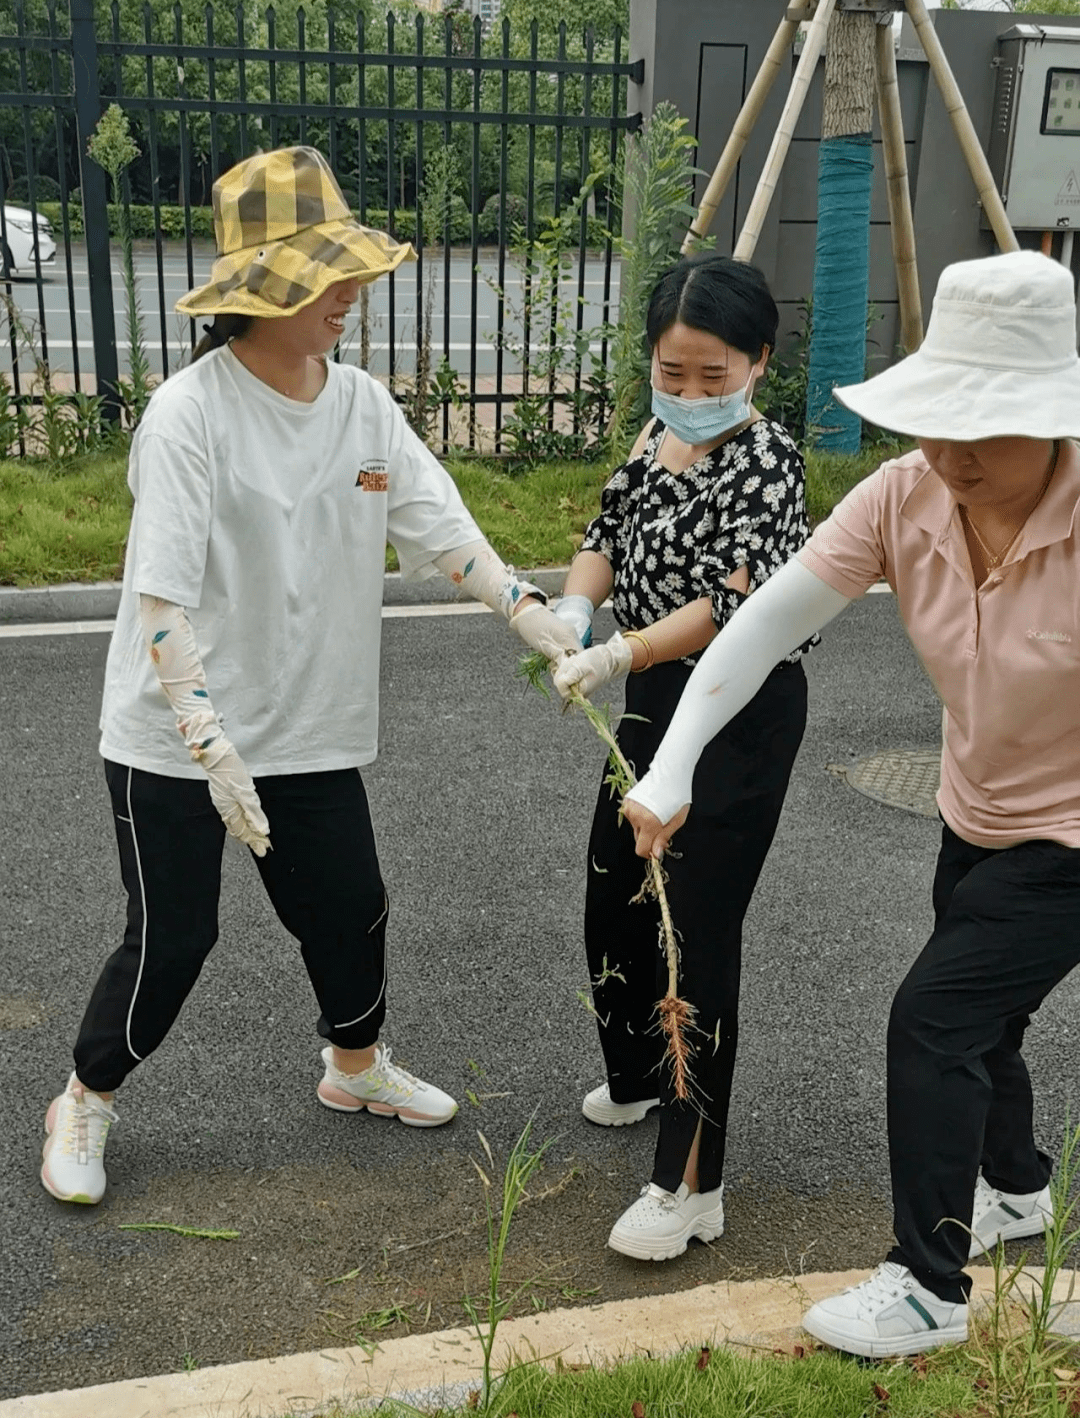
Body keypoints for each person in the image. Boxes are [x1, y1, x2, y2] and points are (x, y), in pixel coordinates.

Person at [40, 146, 581, 1206]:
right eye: (325, 276)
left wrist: (534, 614)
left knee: (350, 905)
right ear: (261, 290)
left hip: (310, 725)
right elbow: (161, 595)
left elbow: (444, 526)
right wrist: (205, 738)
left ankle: (353, 1066)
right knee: (175, 935)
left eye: (352, 271)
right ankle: (85, 1095)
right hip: (175, 738)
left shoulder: (364, 407)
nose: (351, 293)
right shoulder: (189, 414)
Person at [620, 248, 1080, 1355]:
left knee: (935, 1017)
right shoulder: (906, 494)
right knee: (986, 1021)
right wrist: (673, 763)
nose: (952, 451)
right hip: (976, 804)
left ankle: (928, 1281)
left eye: (987, 427)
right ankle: (1017, 1189)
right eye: (937, 420)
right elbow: (763, 624)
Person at [548, 252, 813, 1260]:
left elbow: (735, 607)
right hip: (652, 701)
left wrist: (621, 646)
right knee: (615, 887)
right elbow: (603, 529)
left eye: (714, 376)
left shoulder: (770, 462)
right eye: (672, 373)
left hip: (740, 708)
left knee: (695, 931)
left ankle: (691, 1181)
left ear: (758, 361)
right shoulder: (655, 438)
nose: (691, 395)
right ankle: (637, 1075)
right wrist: (577, 604)